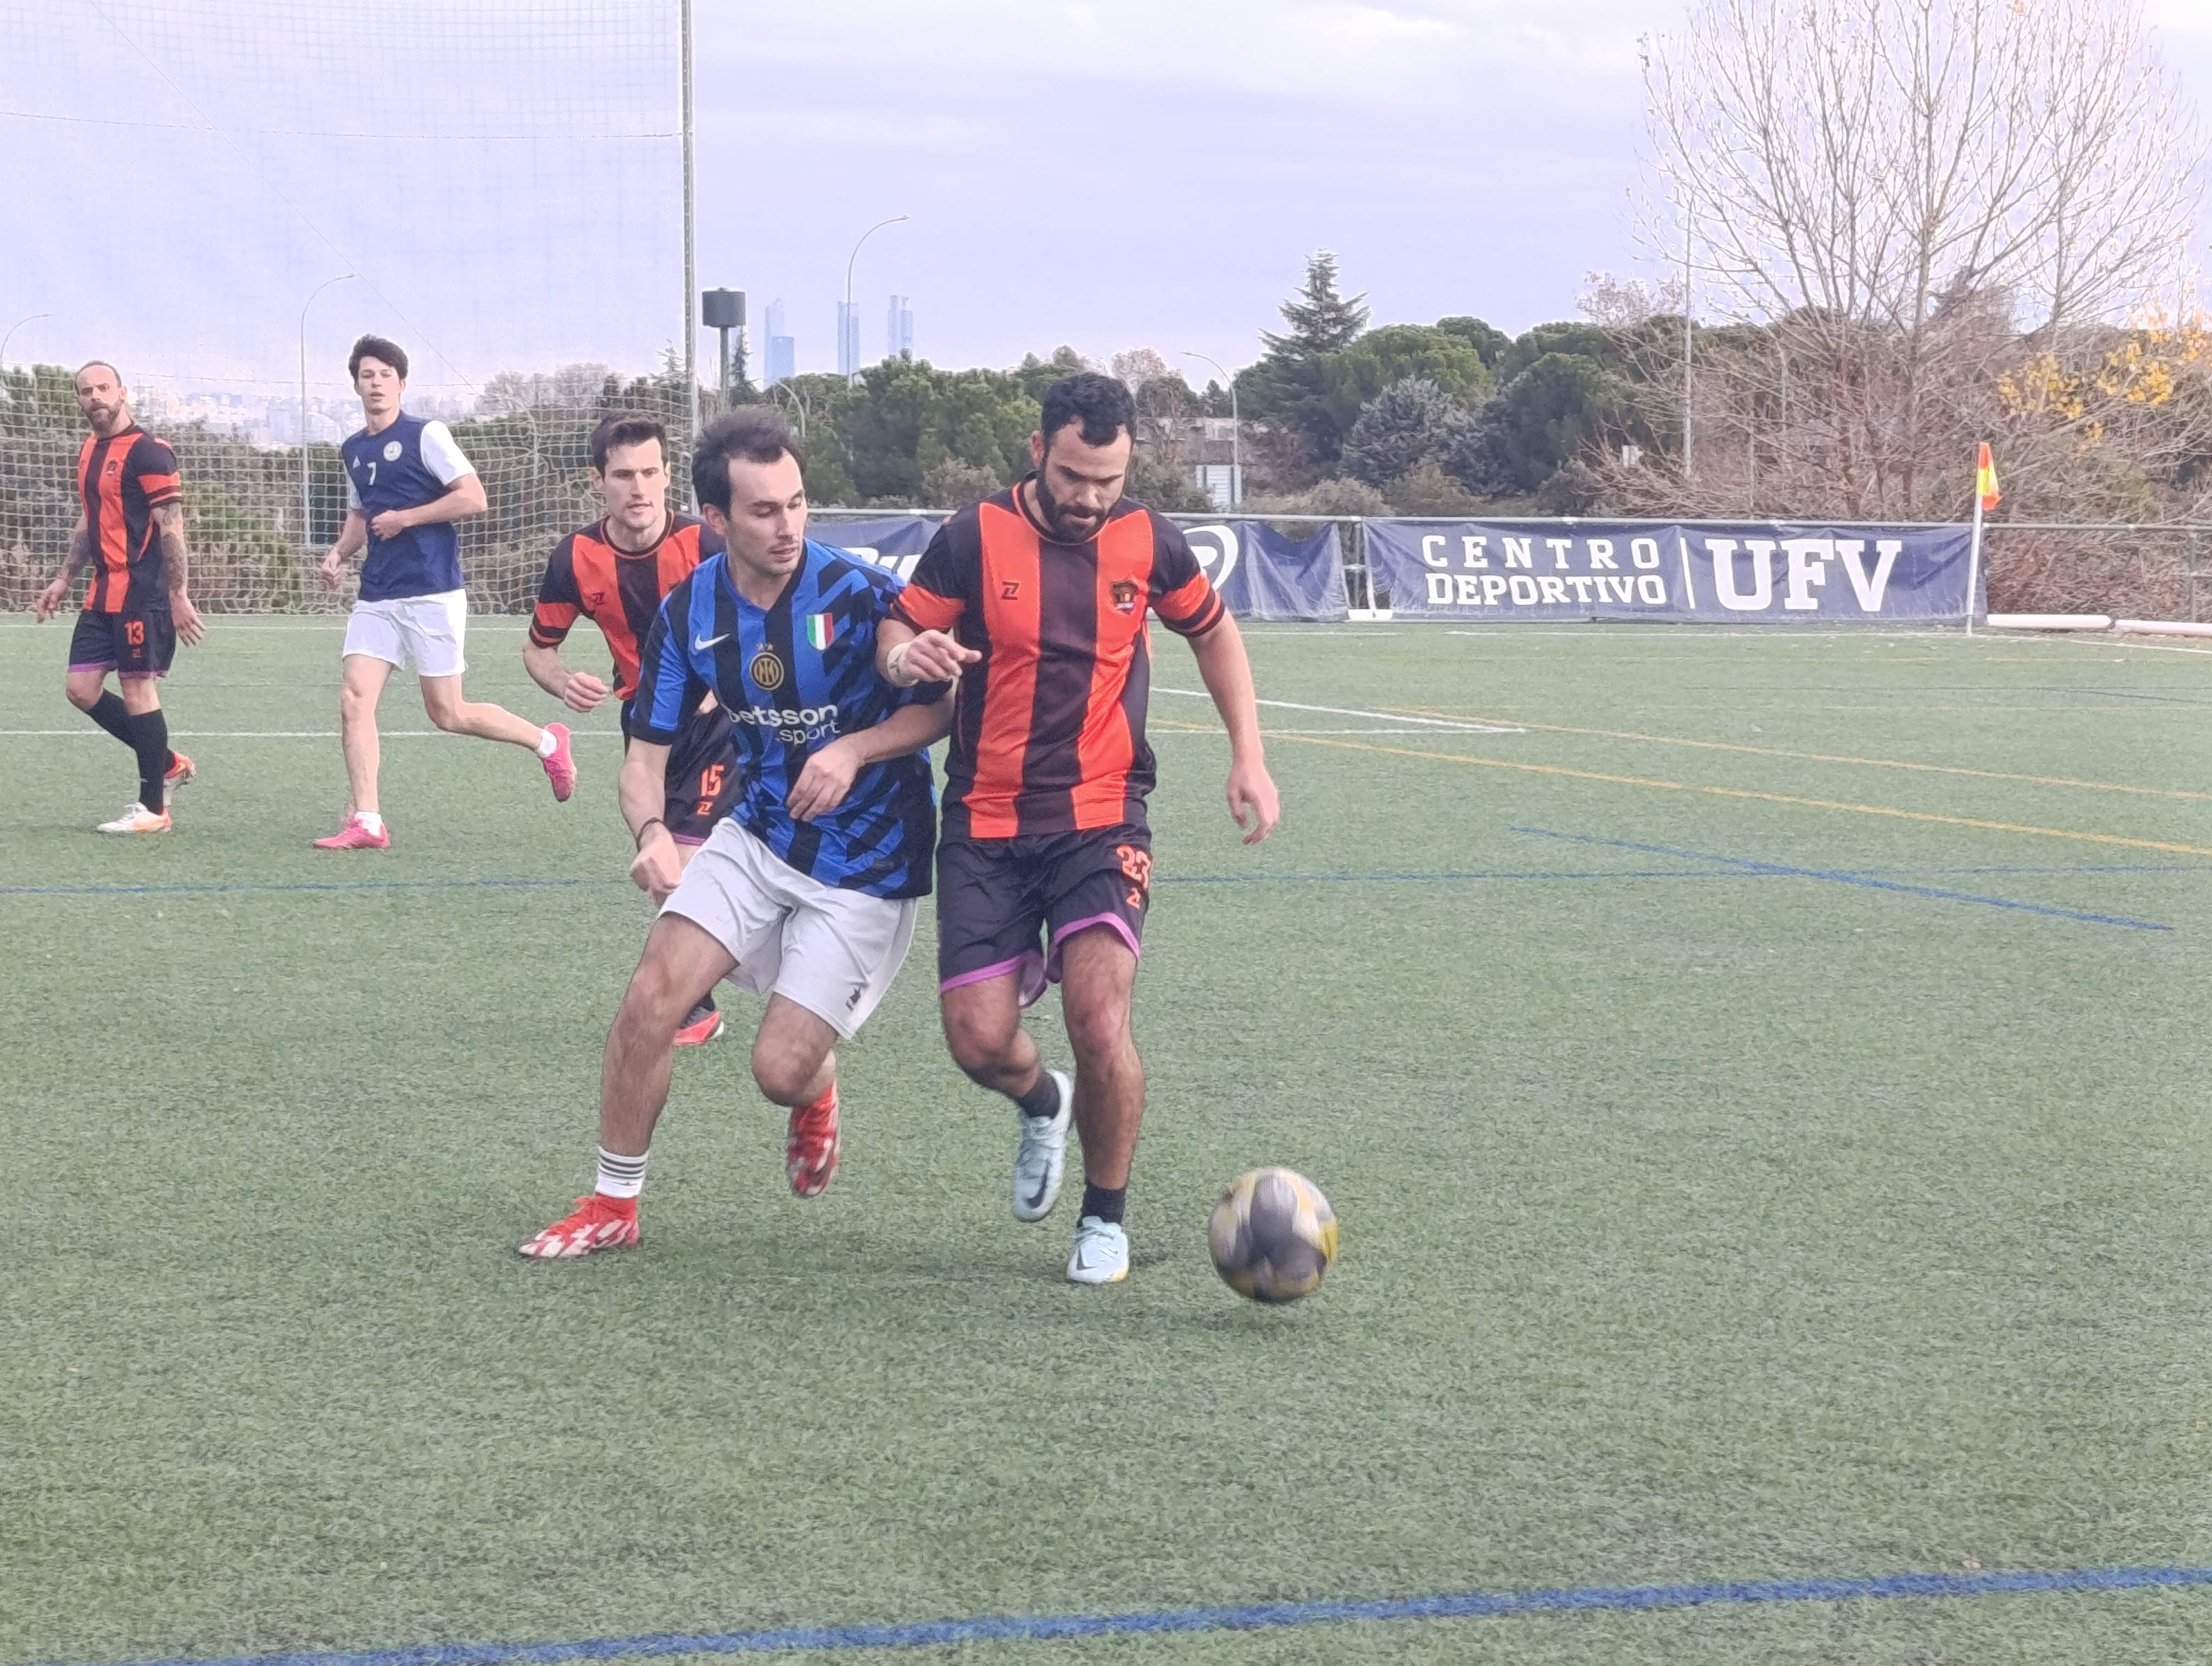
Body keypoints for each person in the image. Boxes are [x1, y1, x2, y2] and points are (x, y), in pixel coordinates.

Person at [876, 373, 1280, 1286]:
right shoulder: (972, 537)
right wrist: (907, 657)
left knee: (1098, 1018)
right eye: (1072, 477)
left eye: (1109, 479)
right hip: (985, 820)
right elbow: (898, 630)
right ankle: (1040, 1098)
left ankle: (1104, 1218)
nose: (1091, 498)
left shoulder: (1150, 540)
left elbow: (1213, 631)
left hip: (1103, 813)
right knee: (977, 1040)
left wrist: (1248, 754)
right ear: (1037, 452)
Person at [520, 411, 953, 1259]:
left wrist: (855, 749)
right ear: (717, 519)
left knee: (777, 1072)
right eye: (764, 510)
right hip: (756, 836)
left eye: (797, 503)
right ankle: (613, 1204)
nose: (788, 525)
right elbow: (644, 760)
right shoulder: (691, 611)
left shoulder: (860, 594)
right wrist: (651, 830)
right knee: (651, 999)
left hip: (867, 863)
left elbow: (940, 709)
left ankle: (816, 1088)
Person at [524, 409, 738, 1048]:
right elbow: (538, 649)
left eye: (650, 472)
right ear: (599, 481)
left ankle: (696, 1003)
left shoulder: (708, 544)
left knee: (684, 859)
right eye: (623, 475)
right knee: (660, 864)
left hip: (720, 722)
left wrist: (727, 682)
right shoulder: (577, 558)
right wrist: (563, 682)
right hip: (645, 728)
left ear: (669, 475)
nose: (638, 488)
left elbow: (764, 619)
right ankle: (698, 998)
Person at [313, 334, 575, 849]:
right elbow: (361, 516)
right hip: (377, 595)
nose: (376, 383)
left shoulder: (426, 435)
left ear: (401, 384)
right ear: (356, 386)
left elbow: (474, 498)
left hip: (432, 590)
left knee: (448, 713)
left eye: (386, 375)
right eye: (367, 376)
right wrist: (338, 554)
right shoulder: (353, 450)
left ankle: (548, 742)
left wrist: (407, 518)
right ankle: (368, 821)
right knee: (354, 699)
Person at [32, 361, 205, 834]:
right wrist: (64, 578)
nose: (96, 397)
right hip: (101, 592)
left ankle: (153, 810)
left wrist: (179, 594)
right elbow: (90, 519)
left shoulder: (150, 452)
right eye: (86, 390)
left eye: (104, 388)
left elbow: (171, 527)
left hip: (143, 594)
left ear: (122, 393)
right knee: (80, 690)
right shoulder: (89, 449)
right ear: (79, 400)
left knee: (137, 690)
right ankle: (168, 764)